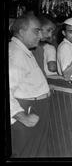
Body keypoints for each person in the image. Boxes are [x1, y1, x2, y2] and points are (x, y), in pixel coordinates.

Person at [9, 13, 51, 157]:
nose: (40, 35)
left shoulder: (23, 51)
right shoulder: (16, 54)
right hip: (27, 110)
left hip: (35, 108)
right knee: (27, 154)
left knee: (37, 153)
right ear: (21, 32)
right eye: (36, 31)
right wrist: (22, 116)